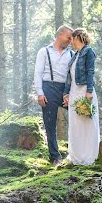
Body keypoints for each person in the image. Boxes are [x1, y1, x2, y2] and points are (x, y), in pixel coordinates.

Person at [34, 25, 73, 165]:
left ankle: (77, 152)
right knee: (50, 124)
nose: (70, 40)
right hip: (48, 87)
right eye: (68, 37)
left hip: (65, 91)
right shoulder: (44, 51)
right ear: (59, 35)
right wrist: (40, 93)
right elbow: (38, 73)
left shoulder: (71, 54)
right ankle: (55, 157)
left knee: (77, 115)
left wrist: (69, 92)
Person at [63, 28, 100, 165]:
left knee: (87, 122)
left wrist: (89, 91)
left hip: (85, 90)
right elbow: (70, 77)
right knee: (76, 123)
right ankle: (77, 156)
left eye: (72, 38)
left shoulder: (88, 52)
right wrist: (66, 94)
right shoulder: (74, 55)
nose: (70, 41)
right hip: (74, 92)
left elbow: (90, 72)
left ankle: (90, 156)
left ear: (77, 37)